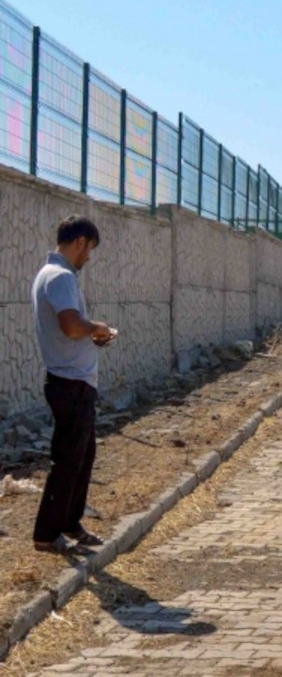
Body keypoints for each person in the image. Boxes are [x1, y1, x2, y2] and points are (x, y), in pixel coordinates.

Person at [30, 215, 117, 555]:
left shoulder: (51, 275)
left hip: (72, 381)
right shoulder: (62, 276)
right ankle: (46, 534)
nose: (89, 258)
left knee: (82, 456)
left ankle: (69, 523)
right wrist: (97, 327)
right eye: (90, 249)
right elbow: (69, 325)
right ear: (80, 241)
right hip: (70, 383)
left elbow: (69, 329)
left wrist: (92, 335)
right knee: (68, 460)